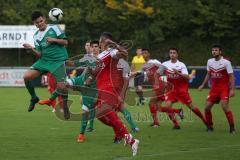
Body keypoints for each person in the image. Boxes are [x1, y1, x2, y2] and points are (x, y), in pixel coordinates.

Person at [95, 32, 139, 156]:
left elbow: (124, 54)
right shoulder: (101, 55)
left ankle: (130, 138)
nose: (99, 44)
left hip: (110, 87)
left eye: (100, 41)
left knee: (106, 110)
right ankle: (121, 129)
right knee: (98, 113)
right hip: (101, 88)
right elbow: (96, 72)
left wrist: (114, 44)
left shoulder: (111, 52)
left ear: (106, 42)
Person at [22, 11, 69, 119]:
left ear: (44, 19)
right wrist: (31, 49)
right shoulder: (36, 36)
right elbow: (39, 54)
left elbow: (65, 42)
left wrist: (53, 40)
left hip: (58, 60)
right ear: (34, 23)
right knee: (26, 77)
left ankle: (65, 107)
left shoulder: (55, 28)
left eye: (41, 21)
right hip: (44, 61)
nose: (39, 24)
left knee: (62, 86)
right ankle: (34, 98)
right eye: (37, 23)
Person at [160, 48, 206, 129]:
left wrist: (178, 72)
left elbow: (187, 78)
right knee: (167, 107)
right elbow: (158, 73)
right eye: (170, 53)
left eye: (174, 53)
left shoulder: (181, 65)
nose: (172, 54)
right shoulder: (165, 64)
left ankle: (205, 121)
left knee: (191, 107)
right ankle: (176, 125)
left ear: (177, 55)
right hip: (171, 90)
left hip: (181, 90)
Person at [137, 49, 183, 127]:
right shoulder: (144, 66)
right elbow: (145, 77)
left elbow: (164, 69)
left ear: (149, 54)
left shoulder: (155, 62)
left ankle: (156, 123)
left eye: (145, 53)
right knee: (158, 108)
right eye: (143, 53)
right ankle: (178, 113)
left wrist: (165, 82)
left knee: (151, 102)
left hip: (160, 85)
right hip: (156, 86)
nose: (144, 54)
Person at [198, 44, 235, 133]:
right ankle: (210, 126)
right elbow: (208, 74)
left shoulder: (226, 62)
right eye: (213, 50)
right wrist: (203, 84)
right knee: (207, 108)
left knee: (225, 107)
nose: (214, 52)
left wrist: (232, 89)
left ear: (220, 52)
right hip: (214, 89)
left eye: (216, 50)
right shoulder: (209, 61)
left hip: (224, 89)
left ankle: (232, 127)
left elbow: (231, 76)